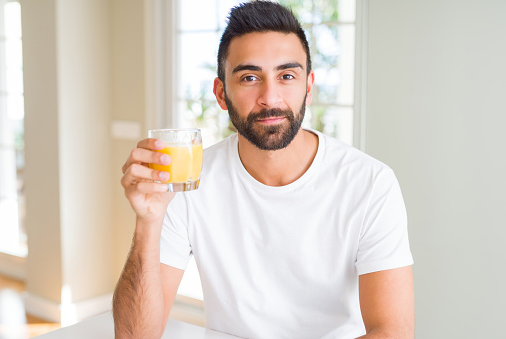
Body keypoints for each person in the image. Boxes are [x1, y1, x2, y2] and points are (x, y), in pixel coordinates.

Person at [113, 1, 414, 338]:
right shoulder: (187, 183)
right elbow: (135, 335)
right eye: (250, 77)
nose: (270, 97)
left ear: (308, 87)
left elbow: (392, 333)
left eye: (287, 75)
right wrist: (148, 222)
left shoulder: (371, 183)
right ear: (221, 94)